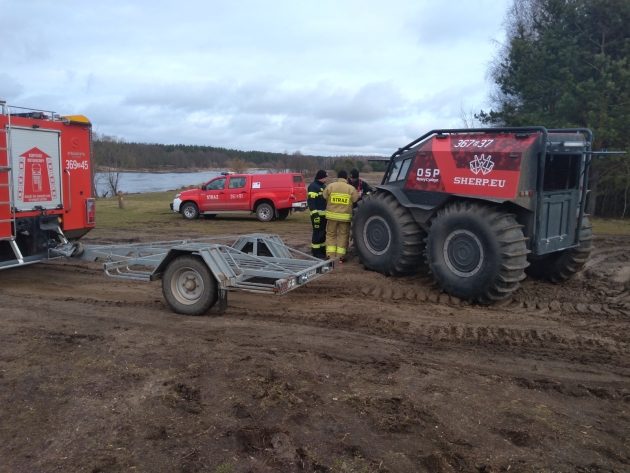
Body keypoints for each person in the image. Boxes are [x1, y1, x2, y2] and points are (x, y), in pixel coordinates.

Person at [323, 170, 359, 262]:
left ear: (338, 177)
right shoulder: (350, 188)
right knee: (343, 236)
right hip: (345, 217)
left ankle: (330, 256)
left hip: (331, 216)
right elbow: (355, 200)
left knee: (331, 235)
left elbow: (324, 196)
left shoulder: (330, 186)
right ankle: (341, 257)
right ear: (346, 178)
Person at [307, 169, 328, 258]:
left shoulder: (323, 186)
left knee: (323, 233)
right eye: (325, 177)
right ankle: (316, 252)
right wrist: (315, 214)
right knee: (317, 233)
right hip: (317, 215)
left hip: (324, 215)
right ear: (321, 177)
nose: (326, 179)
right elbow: (311, 201)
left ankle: (322, 250)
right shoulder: (313, 186)